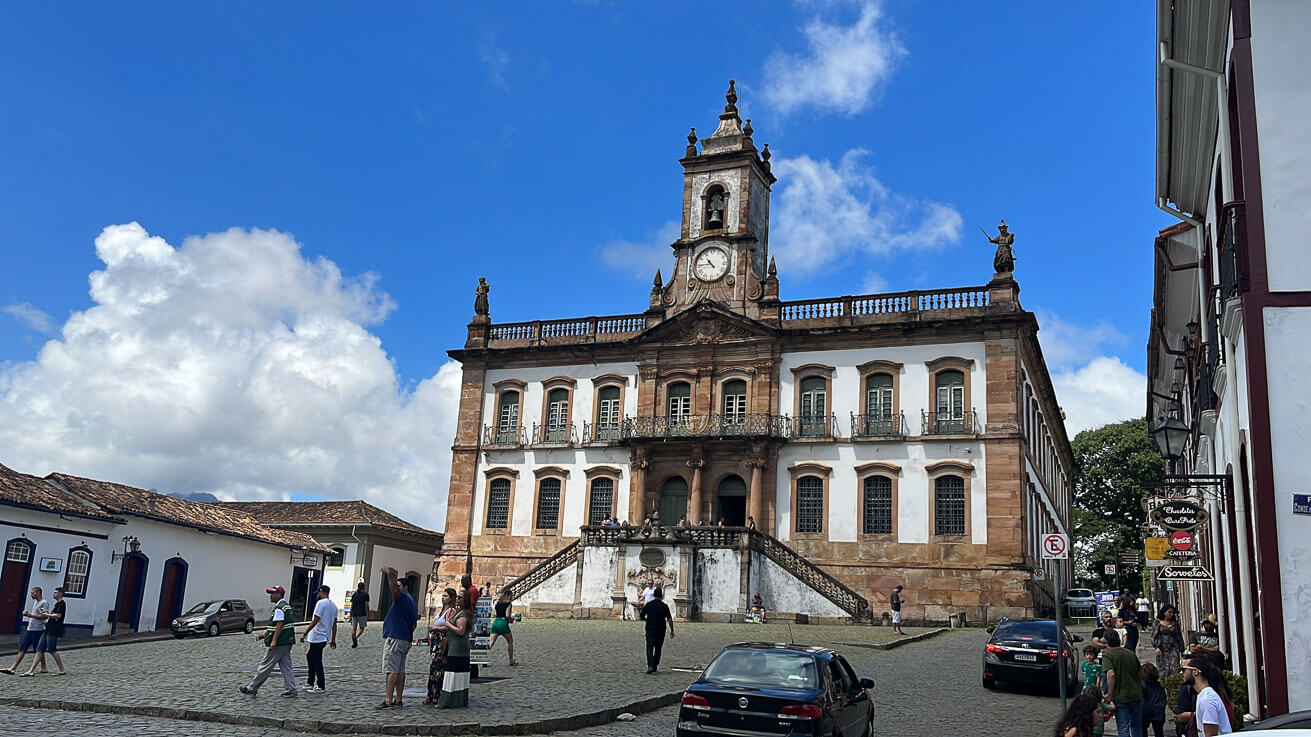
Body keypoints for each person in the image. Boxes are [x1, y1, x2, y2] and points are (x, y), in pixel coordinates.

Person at [239, 585, 298, 697]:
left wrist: (273, 641)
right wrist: (264, 635)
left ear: (279, 594)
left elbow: (279, 625)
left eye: (273, 593)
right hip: (287, 641)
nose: (270, 596)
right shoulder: (286, 606)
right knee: (286, 666)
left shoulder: (279, 608)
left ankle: (252, 687)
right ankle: (291, 689)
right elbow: (278, 626)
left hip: (279, 642)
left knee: (265, 665)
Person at [377, 566, 418, 708]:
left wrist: (390, 575)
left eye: (400, 586)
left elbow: (394, 590)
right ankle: (398, 699)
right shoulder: (412, 601)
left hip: (395, 637)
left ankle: (388, 699)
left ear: (405, 587)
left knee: (392, 669)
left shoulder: (402, 599)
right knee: (400, 670)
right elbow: (414, 624)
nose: (397, 588)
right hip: (405, 638)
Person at [1101, 629, 1143, 737]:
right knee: (1136, 725)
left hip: (1120, 696)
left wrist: (1109, 694)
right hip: (1136, 694)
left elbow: (1111, 674)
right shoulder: (1130, 653)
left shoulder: (1107, 655)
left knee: (1123, 726)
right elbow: (1141, 674)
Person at [435, 588, 472, 708]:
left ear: (465, 600)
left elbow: (460, 631)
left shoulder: (463, 614)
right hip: (456, 648)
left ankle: (449, 701)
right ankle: (457, 701)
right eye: (457, 597)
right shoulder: (460, 612)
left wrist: (448, 624)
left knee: (453, 675)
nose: (457, 599)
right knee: (457, 676)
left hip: (458, 649)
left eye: (459, 598)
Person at [2, 587, 49, 675]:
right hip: (30, 629)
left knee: (38, 650)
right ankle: (13, 668)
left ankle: (43, 667)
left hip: (38, 630)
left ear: (38, 593)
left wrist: (30, 615)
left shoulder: (44, 603)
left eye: (32, 593)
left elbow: (45, 617)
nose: (31, 595)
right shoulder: (36, 602)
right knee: (23, 648)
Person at [300, 584, 338, 692]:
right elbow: (334, 624)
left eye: (319, 593)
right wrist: (333, 639)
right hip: (324, 637)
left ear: (321, 592)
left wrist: (305, 632)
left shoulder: (321, 603)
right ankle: (310, 682)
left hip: (317, 636)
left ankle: (320, 685)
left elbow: (316, 619)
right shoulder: (334, 606)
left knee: (316, 660)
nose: (318, 595)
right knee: (310, 657)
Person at [22, 587, 66, 677]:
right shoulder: (57, 604)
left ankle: (62, 669)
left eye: (56, 593)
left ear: (61, 594)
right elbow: (52, 615)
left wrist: (46, 615)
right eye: (54, 593)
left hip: (54, 630)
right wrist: (45, 612)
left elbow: (58, 616)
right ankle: (31, 670)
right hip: (48, 628)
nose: (54, 594)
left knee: (52, 649)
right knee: (39, 649)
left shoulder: (61, 604)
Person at [1184, 658, 1233, 735]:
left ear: (1195, 672)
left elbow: (1210, 735)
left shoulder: (1207, 700)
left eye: (1184, 670)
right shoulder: (1203, 696)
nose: (1181, 673)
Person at [425, 588, 457, 705]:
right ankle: (431, 693)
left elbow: (448, 627)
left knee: (439, 667)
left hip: (441, 641)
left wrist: (435, 628)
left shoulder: (451, 611)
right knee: (433, 667)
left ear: (451, 598)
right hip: (435, 641)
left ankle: (437, 694)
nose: (443, 598)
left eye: (446, 596)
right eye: (442, 596)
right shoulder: (441, 611)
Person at [640, 586, 674, 674]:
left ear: (654, 595)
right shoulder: (664, 606)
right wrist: (672, 630)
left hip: (650, 628)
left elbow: (641, 615)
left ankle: (650, 665)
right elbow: (669, 618)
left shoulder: (649, 605)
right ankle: (655, 665)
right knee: (658, 648)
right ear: (661, 595)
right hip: (661, 629)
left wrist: (647, 620)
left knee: (649, 647)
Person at [1150, 605, 1185, 677]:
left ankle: (1173, 682)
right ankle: (1165, 682)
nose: (1171, 614)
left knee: (1174, 666)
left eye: (1173, 612)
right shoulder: (1157, 623)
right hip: (1162, 648)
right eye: (1169, 612)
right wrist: (1157, 647)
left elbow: (1179, 636)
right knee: (1163, 667)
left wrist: (1182, 649)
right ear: (1164, 612)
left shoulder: (1175, 623)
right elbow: (1153, 636)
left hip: (1173, 648)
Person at [488, 589, 518, 666]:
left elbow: (495, 612)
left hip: (496, 622)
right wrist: (511, 619)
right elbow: (507, 615)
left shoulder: (498, 603)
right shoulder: (508, 604)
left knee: (491, 642)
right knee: (510, 641)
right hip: (503, 623)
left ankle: (484, 659)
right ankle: (511, 660)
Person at [1140, 662, 1166, 737]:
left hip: (1145, 710)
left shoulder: (1143, 684)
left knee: (1143, 731)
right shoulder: (1159, 686)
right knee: (1159, 732)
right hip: (1158, 709)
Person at [350, 580, 370, 648]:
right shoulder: (365, 595)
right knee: (361, 628)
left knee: (354, 628)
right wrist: (367, 613)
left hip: (354, 613)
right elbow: (366, 605)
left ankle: (353, 636)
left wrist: (350, 613)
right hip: (362, 613)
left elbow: (352, 605)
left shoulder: (354, 595)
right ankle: (356, 637)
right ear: (363, 587)